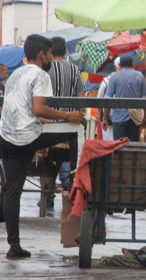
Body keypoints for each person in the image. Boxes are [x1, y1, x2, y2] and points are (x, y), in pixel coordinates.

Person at [0, 34, 84, 258]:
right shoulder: (40, 75)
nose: (49, 59)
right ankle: (76, 180)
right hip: (29, 137)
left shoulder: (16, 74)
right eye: (48, 55)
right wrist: (69, 116)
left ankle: (14, 245)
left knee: (11, 191)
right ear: (41, 55)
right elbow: (38, 109)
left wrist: (58, 119)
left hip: (7, 138)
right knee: (76, 129)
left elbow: (26, 111)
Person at [47, 37, 86, 197]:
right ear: (65, 52)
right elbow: (81, 99)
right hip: (69, 129)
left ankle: (48, 194)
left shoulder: (45, 70)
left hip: (47, 126)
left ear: (50, 51)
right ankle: (71, 181)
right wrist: (77, 115)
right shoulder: (75, 70)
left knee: (49, 157)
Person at [102, 54, 146, 141]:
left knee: (118, 146)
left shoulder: (114, 76)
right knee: (133, 147)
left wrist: (104, 118)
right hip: (135, 118)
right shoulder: (140, 76)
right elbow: (145, 99)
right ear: (133, 63)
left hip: (118, 118)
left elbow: (108, 99)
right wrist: (145, 117)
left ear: (119, 65)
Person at [97, 57, 120, 141]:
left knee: (108, 143)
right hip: (123, 119)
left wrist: (100, 114)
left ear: (114, 67)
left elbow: (99, 99)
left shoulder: (106, 80)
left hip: (108, 119)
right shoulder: (129, 80)